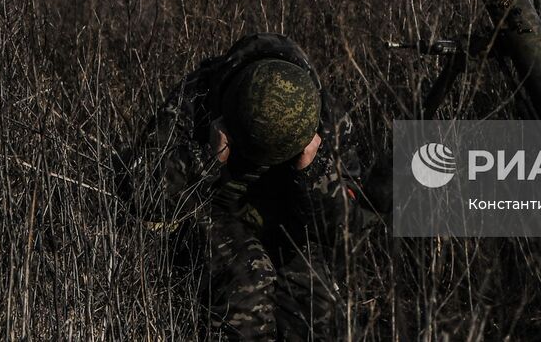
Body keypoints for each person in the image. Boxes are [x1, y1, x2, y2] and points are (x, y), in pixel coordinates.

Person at [115, 33, 371, 340]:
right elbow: (142, 193)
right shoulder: (199, 97)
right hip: (213, 216)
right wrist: (206, 157)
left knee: (316, 308)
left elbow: (349, 229)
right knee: (247, 288)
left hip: (290, 224)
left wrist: (312, 171)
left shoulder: (320, 115)